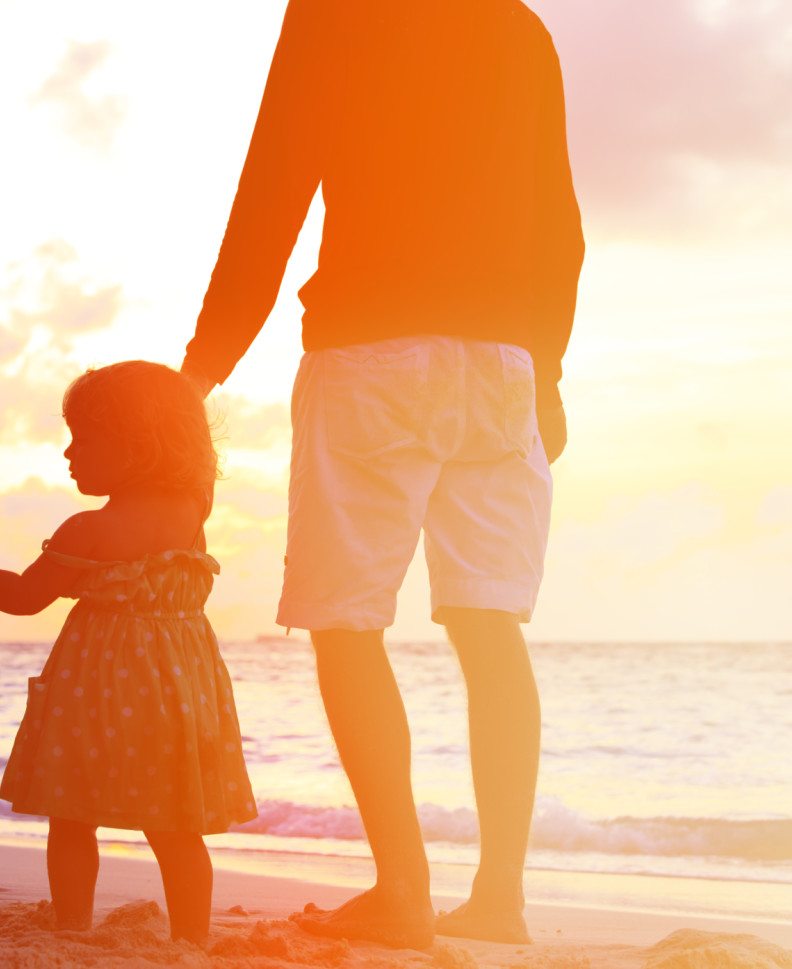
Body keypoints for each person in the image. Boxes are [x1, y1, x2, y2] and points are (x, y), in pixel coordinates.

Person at [179, 0, 584, 949]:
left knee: (346, 620)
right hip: (501, 363)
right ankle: (502, 899)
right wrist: (549, 373)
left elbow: (274, 182)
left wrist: (204, 364)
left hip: (371, 349)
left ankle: (403, 886)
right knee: (492, 627)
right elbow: (558, 223)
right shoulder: (521, 29)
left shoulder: (332, 14)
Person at [0, 361, 256, 943]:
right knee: (178, 827)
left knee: (73, 812)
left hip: (96, 691)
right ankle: (191, 940)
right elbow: (188, 444)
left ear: (136, 444)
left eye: (83, 437)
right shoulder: (194, 512)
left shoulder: (88, 530)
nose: (68, 453)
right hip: (177, 689)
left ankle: (72, 927)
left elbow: (23, 597)